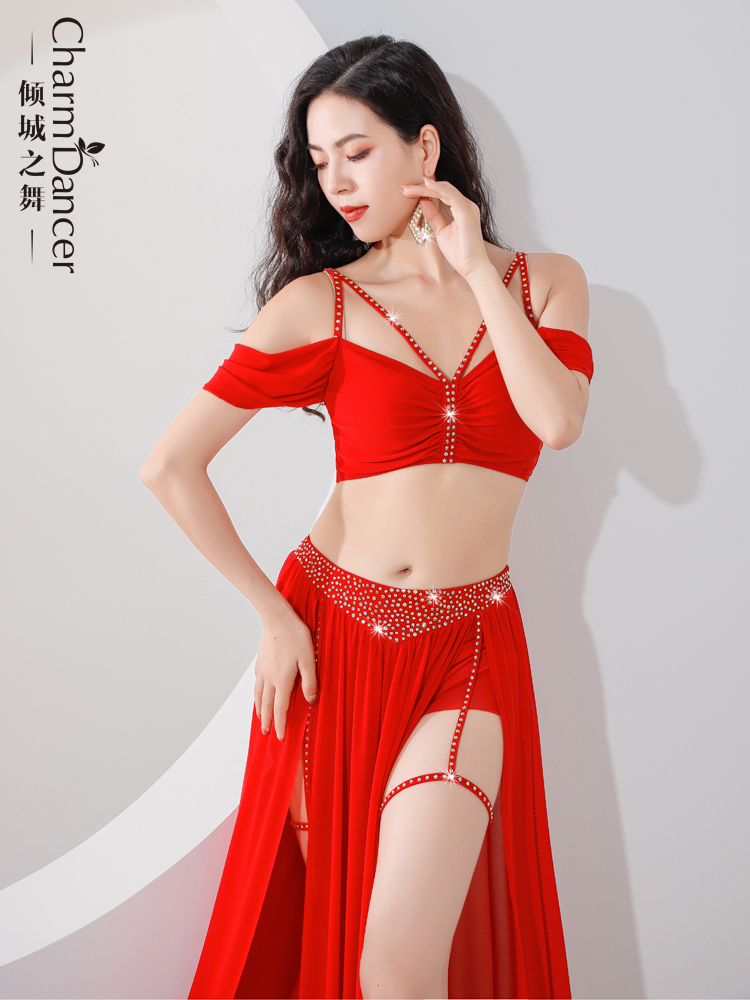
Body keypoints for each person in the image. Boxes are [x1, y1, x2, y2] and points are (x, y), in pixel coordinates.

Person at [140, 34, 592, 1000]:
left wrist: (475, 270)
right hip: (331, 643)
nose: (337, 182)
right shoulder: (323, 305)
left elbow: (557, 422)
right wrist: (273, 616)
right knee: (336, 942)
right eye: (318, 161)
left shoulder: (545, 283)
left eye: (357, 151)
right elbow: (170, 467)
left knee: (394, 961)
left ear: (425, 147)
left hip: (470, 647)